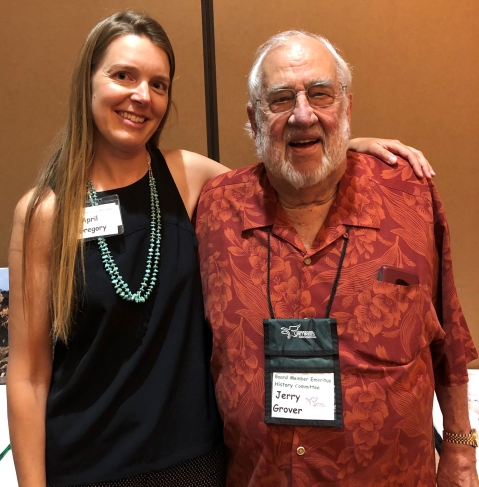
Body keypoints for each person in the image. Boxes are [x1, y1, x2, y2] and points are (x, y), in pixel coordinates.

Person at [7, 11, 434, 487]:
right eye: (123, 75)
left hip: (195, 464)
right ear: (88, 82)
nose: (141, 96)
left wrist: (344, 146)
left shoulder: (187, 178)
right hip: (88, 466)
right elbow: (27, 375)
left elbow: (282, 170)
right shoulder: (46, 213)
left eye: (159, 83)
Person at [195, 30, 479, 487]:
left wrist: (461, 450)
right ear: (253, 118)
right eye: (281, 100)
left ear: (346, 106)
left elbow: (449, 334)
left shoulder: (409, 192)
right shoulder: (216, 208)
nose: (302, 115)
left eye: (320, 95)